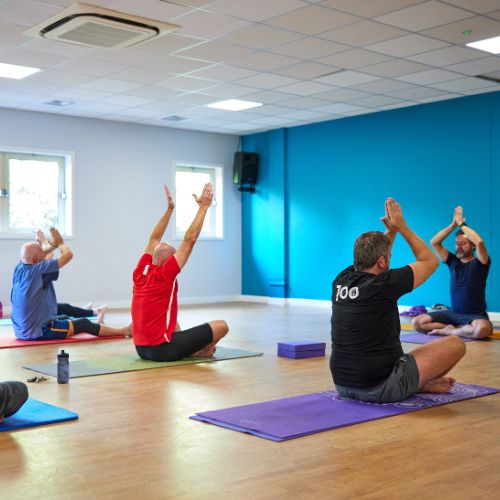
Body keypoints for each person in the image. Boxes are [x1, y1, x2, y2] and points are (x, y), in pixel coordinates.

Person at [330, 198, 466, 404]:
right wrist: (402, 227)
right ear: (383, 262)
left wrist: (390, 232)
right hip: (380, 387)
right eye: (389, 257)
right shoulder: (383, 285)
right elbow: (429, 261)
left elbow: (377, 256)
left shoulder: (341, 280)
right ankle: (416, 383)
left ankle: (418, 382)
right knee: (456, 345)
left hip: (342, 385)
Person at [132, 184, 228, 362]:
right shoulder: (164, 275)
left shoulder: (140, 272)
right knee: (222, 326)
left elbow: (154, 238)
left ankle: (188, 349)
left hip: (140, 349)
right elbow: (190, 239)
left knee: (175, 325)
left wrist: (170, 210)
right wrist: (203, 208)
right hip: (161, 351)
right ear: (167, 262)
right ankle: (196, 352)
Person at [11, 228, 131, 340]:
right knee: (83, 323)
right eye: (42, 255)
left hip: (21, 330)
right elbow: (68, 255)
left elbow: (38, 254)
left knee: (64, 316)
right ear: (37, 259)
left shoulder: (20, 268)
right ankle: (124, 331)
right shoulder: (39, 271)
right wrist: (61, 244)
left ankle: (98, 324)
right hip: (39, 331)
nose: (45, 256)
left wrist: (53, 244)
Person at [412, 206, 492, 339]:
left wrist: (462, 223)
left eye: (463, 243)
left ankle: (451, 331)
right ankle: (459, 329)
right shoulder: (453, 261)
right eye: (456, 243)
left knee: (481, 330)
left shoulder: (481, 263)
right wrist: (453, 225)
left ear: (472, 246)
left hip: (475, 315)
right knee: (418, 323)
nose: (458, 247)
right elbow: (434, 242)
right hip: (453, 313)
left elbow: (479, 242)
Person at [35, 230, 108, 320]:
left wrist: (44, 242)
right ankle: (94, 312)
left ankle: (82, 311)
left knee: (65, 307)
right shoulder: (37, 271)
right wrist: (56, 243)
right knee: (65, 316)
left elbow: (44, 256)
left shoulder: (24, 267)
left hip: (39, 309)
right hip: (39, 315)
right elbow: (58, 255)